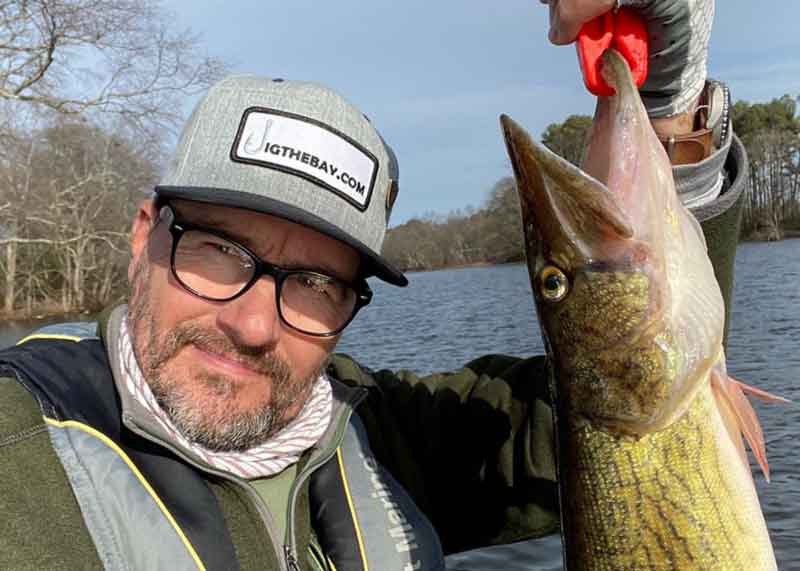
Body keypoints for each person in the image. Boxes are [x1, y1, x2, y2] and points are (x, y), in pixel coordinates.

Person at [0, 1, 746, 569]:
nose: (257, 325)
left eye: (317, 283)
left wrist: (668, 109)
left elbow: (611, 402)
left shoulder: (378, 432)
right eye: (222, 251)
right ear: (143, 235)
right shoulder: (16, 451)